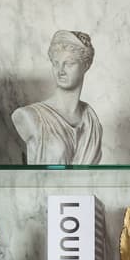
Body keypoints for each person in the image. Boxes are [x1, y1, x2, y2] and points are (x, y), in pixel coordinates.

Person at [11, 30, 102, 164]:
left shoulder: (91, 121)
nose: (60, 71)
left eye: (69, 63)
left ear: (86, 65)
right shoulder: (29, 116)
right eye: (56, 63)